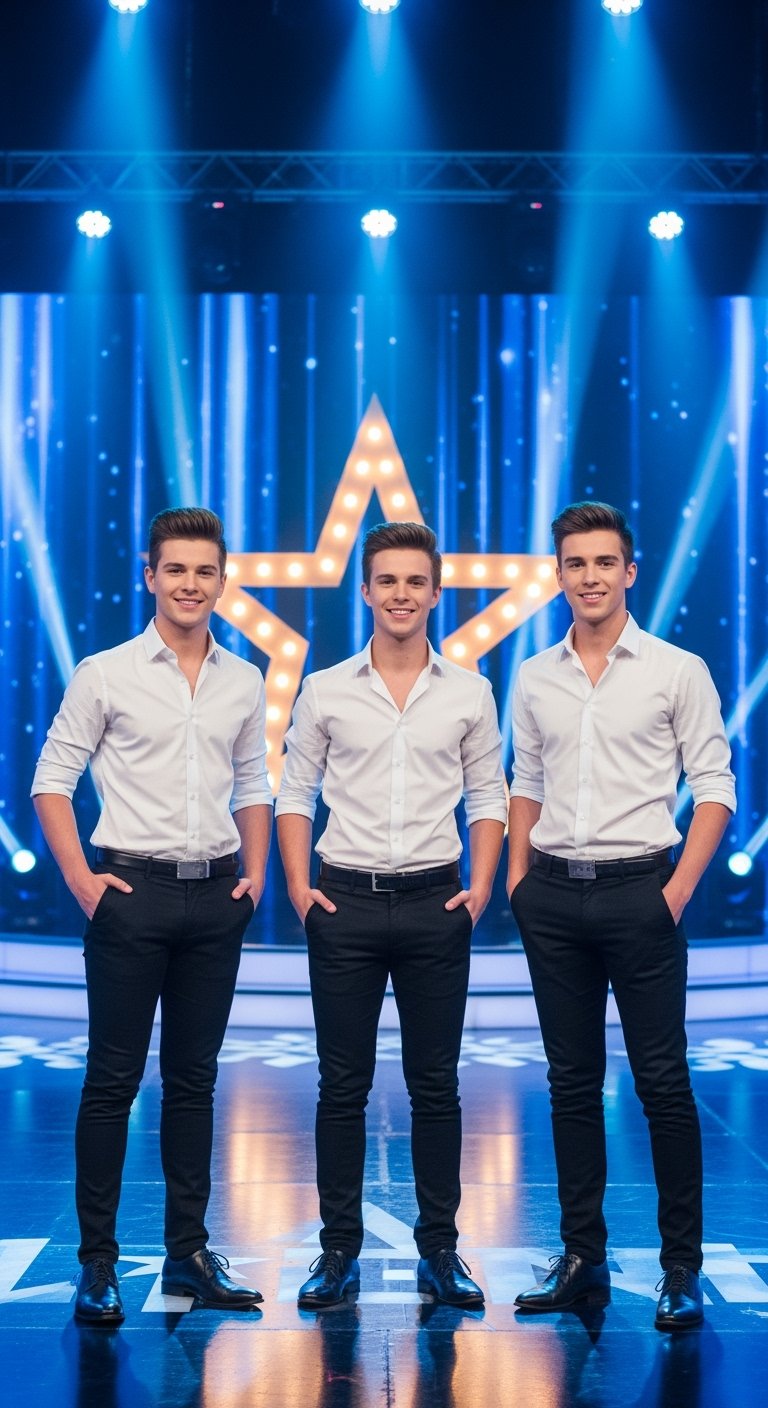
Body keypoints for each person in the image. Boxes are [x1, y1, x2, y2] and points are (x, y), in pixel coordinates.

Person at [31, 507, 272, 1324]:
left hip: (216, 899)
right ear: (150, 576)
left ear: (222, 581)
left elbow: (254, 782)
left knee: (194, 1082)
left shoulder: (244, 680)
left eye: (204, 571)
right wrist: (82, 881)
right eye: (176, 570)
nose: (190, 584)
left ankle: (188, 1254)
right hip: (129, 895)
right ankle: (96, 1264)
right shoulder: (105, 673)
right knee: (113, 1080)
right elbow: (51, 779)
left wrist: (255, 877)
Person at [507, 501, 736, 1331]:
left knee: (662, 1083)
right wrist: (519, 882)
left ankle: (681, 1268)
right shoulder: (536, 675)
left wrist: (674, 893)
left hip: (644, 893)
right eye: (576, 563)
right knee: (570, 1084)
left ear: (630, 572)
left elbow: (715, 787)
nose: (591, 577)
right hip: (553, 897)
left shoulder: (677, 670)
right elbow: (526, 779)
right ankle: (582, 1258)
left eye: (605, 562)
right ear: (559, 576)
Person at [276, 521, 507, 1309]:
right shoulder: (325, 689)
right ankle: (337, 1250)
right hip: (343, 902)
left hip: (436, 903)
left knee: (435, 1085)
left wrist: (481, 888)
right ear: (366, 591)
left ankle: (439, 1250)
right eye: (387, 581)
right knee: (341, 1086)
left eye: (415, 581)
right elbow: (295, 792)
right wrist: (300, 888)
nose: (401, 594)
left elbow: (489, 795)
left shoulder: (469, 692)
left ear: (435, 593)